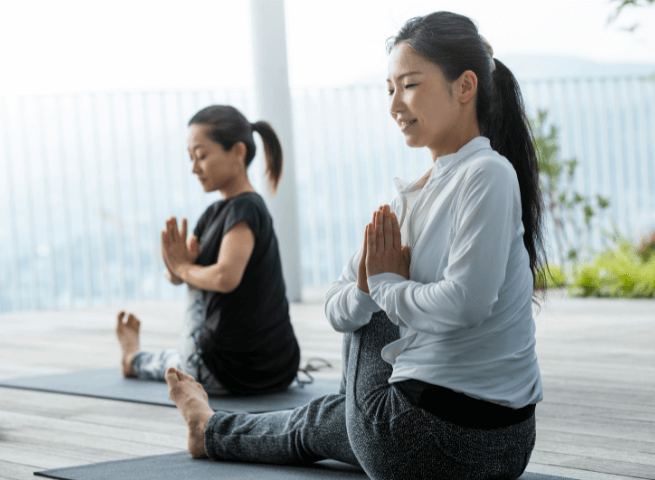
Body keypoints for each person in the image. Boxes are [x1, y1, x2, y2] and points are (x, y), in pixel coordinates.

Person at [164, 11, 546, 479]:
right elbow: (335, 303)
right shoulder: (418, 193)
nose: (394, 105)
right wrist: (372, 288)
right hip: (501, 449)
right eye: (390, 89)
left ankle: (212, 429)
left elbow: (466, 305)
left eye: (409, 85)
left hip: (435, 438)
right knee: (324, 416)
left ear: (465, 87)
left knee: (351, 373)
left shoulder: (486, 173)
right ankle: (210, 431)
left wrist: (383, 285)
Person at [115, 105, 301, 396]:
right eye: (191, 158)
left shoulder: (245, 207)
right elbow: (181, 276)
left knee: (175, 362)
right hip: (279, 369)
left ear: (238, 152)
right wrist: (177, 267)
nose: (194, 168)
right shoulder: (215, 213)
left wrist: (184, 269)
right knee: (195, 282)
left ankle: (134, 360)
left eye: (201, 156)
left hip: (228, 371)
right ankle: (149, 359)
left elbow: (225, 278)